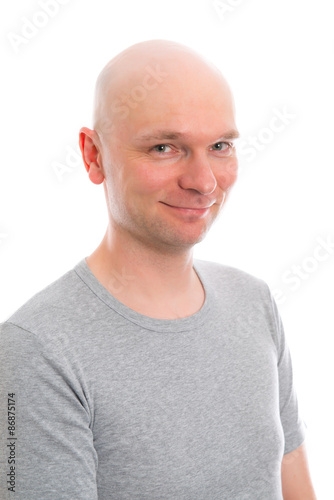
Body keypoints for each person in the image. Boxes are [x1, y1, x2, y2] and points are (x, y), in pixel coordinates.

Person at [0, 39, 317, 499]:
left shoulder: (256, 301)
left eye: (220, 145)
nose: (204, 181)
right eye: (165, 147)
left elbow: (297, 489)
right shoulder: (36, 349)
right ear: (93, 156)